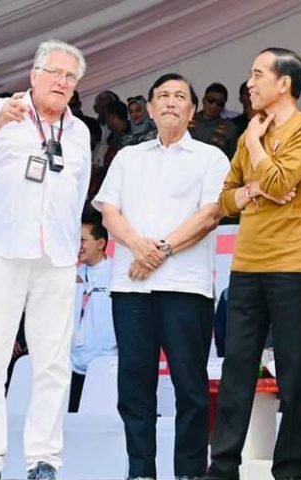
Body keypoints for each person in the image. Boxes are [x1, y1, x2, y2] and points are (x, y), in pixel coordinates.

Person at [0, 39, 91, 480]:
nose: (62, 83)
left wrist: (68, 246)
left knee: (52, 361)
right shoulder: (2, 109)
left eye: (70, 78)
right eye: (55, 73)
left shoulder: (80, 131)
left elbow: (78, 190)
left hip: (56, 257)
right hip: (1, 252)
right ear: (34, 74)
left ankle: (44, 460)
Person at [94, 72, 228, 480]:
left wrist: (161, 250)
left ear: (192, 111)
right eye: (163, 96)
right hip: (131, 287)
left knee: (190, 386)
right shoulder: (128, 156)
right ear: (149, 109)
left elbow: (209, 215)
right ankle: (140, 471)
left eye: (180, 97)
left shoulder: (210, 157)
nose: (171, 102)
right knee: (135, 384)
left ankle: (188, 471)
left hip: (185, 287)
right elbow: (108, 210)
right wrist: (138, 246)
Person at [206, 47, 301, 480]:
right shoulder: (248, 132)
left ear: (284, 83)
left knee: (294, 376)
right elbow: (225, 197)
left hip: (294, 265)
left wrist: (256, 146)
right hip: (246, 264)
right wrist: (258, 189)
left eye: (257, 74)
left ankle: (290, 471)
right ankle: (222, 468)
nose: (250, 83)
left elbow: (277, 179)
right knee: (236, 371)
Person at [68, 216, 116, 413]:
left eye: (82, 240)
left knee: (100, 421)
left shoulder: (116, 273)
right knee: (71, 421)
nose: (77, 245)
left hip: (105, 361)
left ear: (101, 243)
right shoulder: (71, 274)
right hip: (72, 363)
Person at [189, 83, 239, 159]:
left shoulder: (230, 129)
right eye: (211, 101)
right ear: (203, 100)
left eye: (219, 104)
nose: (214, 106)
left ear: (223, 106)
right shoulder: (187, 121)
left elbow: (232, 159)